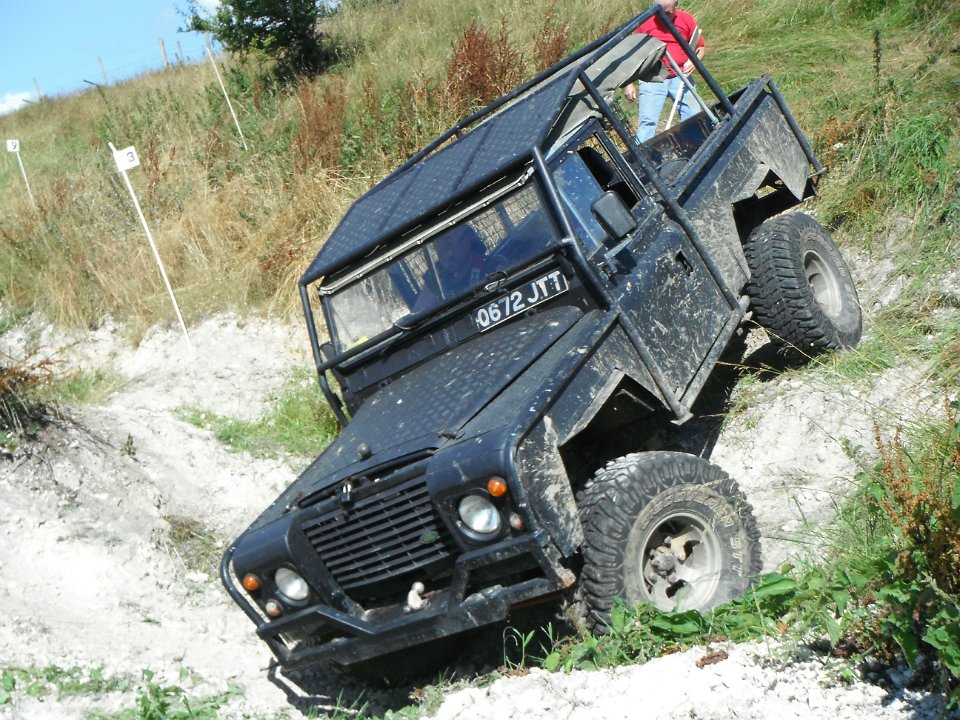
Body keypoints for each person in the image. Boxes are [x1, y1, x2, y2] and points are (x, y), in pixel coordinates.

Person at [624, 0, 706, 143]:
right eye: (660, 12)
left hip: (681, 76)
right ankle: (642, 157)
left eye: (668, 13)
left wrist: (694, 61)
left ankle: (694, 146)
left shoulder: (686, 19)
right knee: (647, 122)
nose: (665, 17)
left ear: (676, 5)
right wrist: (628, 84)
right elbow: (632, 55)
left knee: (693, 115)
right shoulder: (645, 23)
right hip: (652, 78)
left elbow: (701, 48)